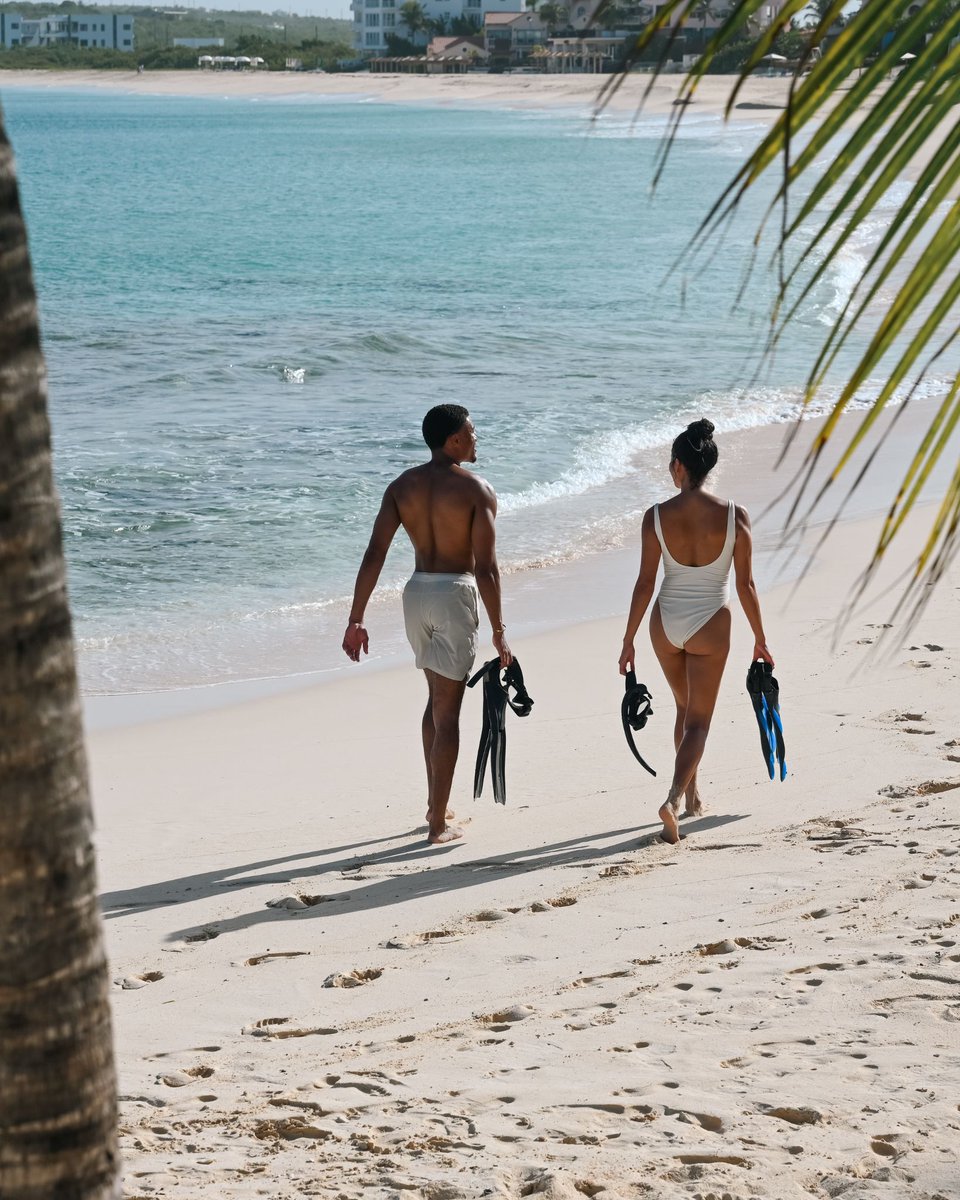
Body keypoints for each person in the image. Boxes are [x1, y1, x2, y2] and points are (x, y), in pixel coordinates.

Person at [342, 404, 512, 845]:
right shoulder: (478, 489)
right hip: (455, 593)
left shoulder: (402, 486)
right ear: (454, 439)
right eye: (472, 431)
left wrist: (356, 618)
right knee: (449, 711)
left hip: (416, 593)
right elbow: (488, 568)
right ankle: (437, 826)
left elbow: (374, 553)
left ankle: (436, 805)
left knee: (436, 700)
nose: (477, 438)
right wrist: (499, 629)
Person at [618, 419, 774, 845]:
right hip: (711, 624)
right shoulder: (734, 515)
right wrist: (760, 638)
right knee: (699, 722)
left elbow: (645, 583)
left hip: (664, 624)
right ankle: (673, 799)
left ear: (677, 467)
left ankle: (693, 797)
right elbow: (745, 586)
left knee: (684, 711)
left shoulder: (655, 516)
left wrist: (628, 640)